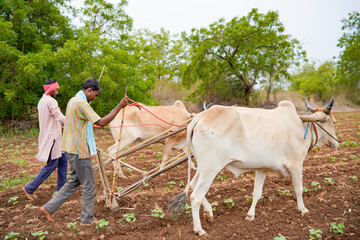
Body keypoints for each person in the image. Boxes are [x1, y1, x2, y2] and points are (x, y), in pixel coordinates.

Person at [40, 77, 129, 226]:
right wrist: (120, 106)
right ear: (89, 90)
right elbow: (101, 122)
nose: (95, 98)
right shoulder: (82, 104)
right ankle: (86, 220)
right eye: (95, 94)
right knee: (90, 185)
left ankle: (48, 208)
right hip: (80, 151)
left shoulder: (73, 100)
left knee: (74, 182)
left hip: (70, 149)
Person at [23, 79, 67, 200]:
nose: (57, 92)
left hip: (52, 136)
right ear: (52, 90)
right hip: (52, 138)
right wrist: (73, 121)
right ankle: (29, 188)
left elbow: (52, 119)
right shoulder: (51, 101)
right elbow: (60, 117)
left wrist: (61, 126)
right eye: (56, 90)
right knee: (52, 165)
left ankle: (61, 190)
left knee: (63, 161)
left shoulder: (42, 101)